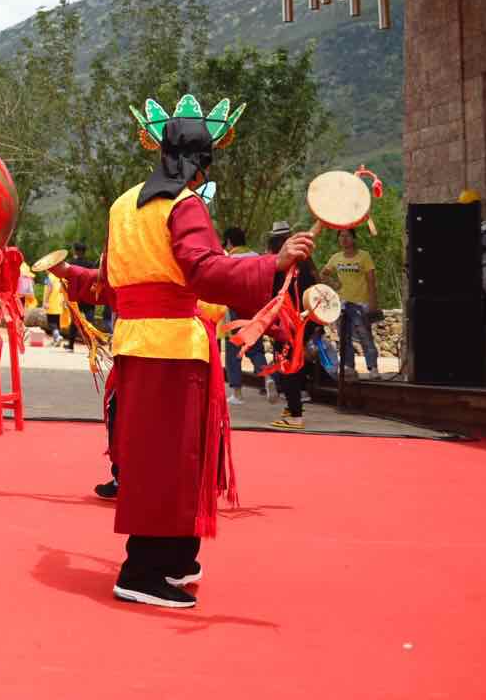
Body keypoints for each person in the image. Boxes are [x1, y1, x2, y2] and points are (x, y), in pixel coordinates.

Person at [52, 94, 314, 610]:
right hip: (173, 349)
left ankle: (173, 559)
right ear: (201, 164)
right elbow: (205, 272)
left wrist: (69, 276)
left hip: (135, 346)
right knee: (169, 462)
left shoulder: (123, 205)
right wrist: (272, 263)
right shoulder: (184, 204)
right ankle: (141, 569)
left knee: (157, 458)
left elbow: (112, 286)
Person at [267, 222, 323, 431]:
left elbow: (274, 292)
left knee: (287, 364)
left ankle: (295, 415)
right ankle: (292, 409)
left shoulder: (282, 263)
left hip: (288, 321)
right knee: (295, 365)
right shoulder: (305, 262)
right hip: (305, 318)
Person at [219, 226, 272, 403]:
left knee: (234, 350)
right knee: (256, 348)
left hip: (235, 310)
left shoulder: (228, 259)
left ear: (229, 242)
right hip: (256, 309)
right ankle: (268, 378)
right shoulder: (257, 257)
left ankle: (237, 393)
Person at [322, 228, 379, 378]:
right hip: (342, 303)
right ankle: (348, 366)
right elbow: (324, 274)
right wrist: (334, 284)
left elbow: (371, 280)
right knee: (344, 337)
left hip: (361, 303)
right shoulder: (336, 258)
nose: (344, 239)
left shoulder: (364, 256)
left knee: (365, 336)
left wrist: (373, 302)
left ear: (353, 238)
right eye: (341, 236)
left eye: (347, 236)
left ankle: (373, 367)